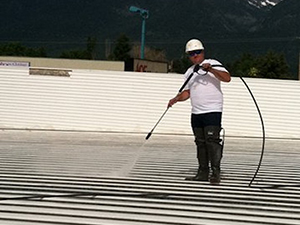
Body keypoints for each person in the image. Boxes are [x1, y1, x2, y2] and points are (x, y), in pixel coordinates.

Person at [168, 39, 231, 184]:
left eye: (197, 52)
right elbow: (187, 92)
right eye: (191, 54)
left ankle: (215, 172)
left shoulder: (213, 63)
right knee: (200, 142)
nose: (195, 55)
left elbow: (227, 78)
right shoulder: (190, 72)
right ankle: (203, 172)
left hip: (212, 110)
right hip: (196, 113)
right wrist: (176, 99)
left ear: (203, 52)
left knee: (212, 141)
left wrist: (210, 69)